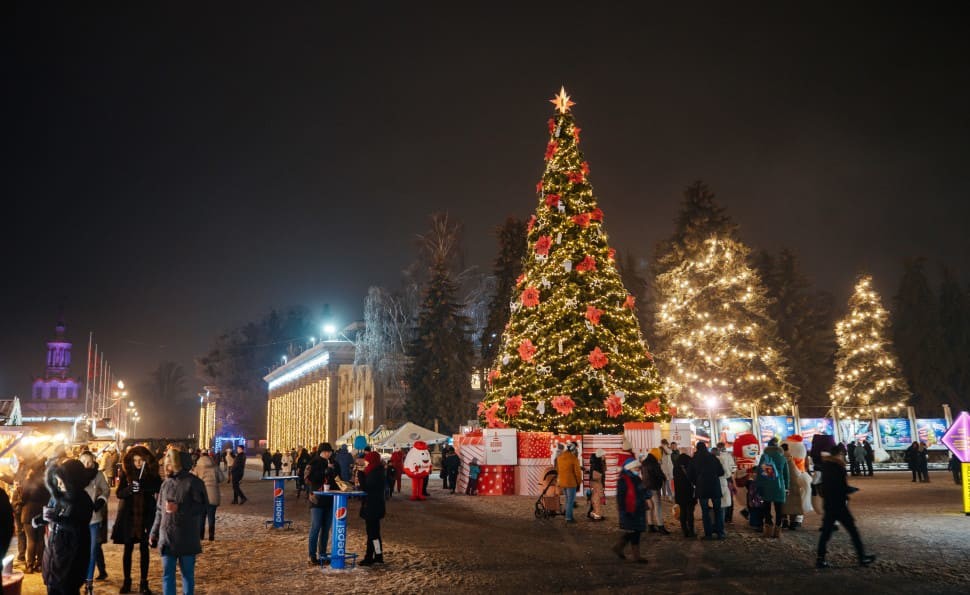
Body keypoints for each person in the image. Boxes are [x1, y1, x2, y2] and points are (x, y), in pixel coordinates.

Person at [150, 446, 208, 595]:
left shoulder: (194, 482)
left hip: (187, 537)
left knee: (187, 575)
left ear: (178, 463)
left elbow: (202, 507)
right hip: (167, 537)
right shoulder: (165, 484)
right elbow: (159, 511)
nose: (166, 467)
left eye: (169, 463)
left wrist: (180, 508)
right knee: (167, 575)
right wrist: (154, 532)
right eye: (166, 464)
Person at [37, 458, 95, 595]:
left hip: (70, 561)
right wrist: (41, 519)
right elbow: (52, 514)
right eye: (57, 481)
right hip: (54, 557)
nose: (59, 485)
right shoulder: (58, 497)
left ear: (72, 480)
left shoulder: (82, 500)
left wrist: (57, 519)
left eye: (62, 481)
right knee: (53, 588)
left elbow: (78, 527)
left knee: (67, 589)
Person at [816, 444, 876, 568]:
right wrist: (850, 489)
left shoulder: (826, 466)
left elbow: (827, 485)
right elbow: (840, 486)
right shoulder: (838, 467)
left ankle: (820, 559)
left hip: (829, 503)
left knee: (826, 533)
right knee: (853, 531)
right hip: (839, 504)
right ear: (839, 454)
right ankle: (861, 557)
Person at [112, 445, 162, 594]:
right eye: (135, 460)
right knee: (128, 549)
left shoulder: (151, 473)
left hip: (146, 516)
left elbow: (159, 486)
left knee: (144, 550)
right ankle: (126, 581)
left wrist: (144, 486)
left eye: (140, 460)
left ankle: (143, 583)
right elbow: (119, 493)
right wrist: (129, 489)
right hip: (129, 516)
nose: (138, 463)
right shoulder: (126, 472)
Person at [80, 450, 111, 591]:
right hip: (78, 519)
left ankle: (89, 580)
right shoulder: (75, 474)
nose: (86, 465)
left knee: (92, 550)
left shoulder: (98, 475)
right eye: (83, 462)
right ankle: (79, 578)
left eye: (89, 462)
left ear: (93, 462)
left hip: (93, 518)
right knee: (79, 550)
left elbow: (106, 490)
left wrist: (101, 500)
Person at [304, 443, 337, 566]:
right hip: (316, 500)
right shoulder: (314, 462)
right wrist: (325, 471)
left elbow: (336, 479)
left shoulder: (333, 462)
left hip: (329, 499)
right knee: (316, 527)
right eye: (326, 451)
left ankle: (322, 554)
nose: (329, 454)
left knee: (326, 528)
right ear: (322, 452)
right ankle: (312, 556)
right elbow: (308, 479)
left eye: (330, 452)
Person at [612, 457, 649, 563]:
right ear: (630, 468)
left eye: (638, 468)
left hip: (638, 509)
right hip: (630, 510)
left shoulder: (637, 479)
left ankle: (619, 547)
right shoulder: (623, 480)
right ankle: (636, 555)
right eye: (636, 467)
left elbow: (643, 491)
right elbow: (621, 498)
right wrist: (624, 510)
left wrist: (647, 493)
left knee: (634, 531)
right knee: (634, 532)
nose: (638, 469)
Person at [688, 441, 725, 540]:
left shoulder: (694, 459)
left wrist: (696, 482)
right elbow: (721, 472)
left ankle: (708, 534)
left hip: (702, 488)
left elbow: (690, 475)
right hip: (715, 486)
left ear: (697, 448)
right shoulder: (713, 457)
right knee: (718, 510)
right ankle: (720, 533)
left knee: (705, 511)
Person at [20, 459, 50, 575]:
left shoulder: (29, 481)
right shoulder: (46, 481)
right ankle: (40, 565)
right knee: (40, 539)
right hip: (42, 512)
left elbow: (23, 498)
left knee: (31, 540)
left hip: (29, 512)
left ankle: (29, 565)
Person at [357, 451, 387, 566]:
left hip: (372, 507)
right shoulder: (376, 471)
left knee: (372, 534)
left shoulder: (375, 473)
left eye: (367, 460)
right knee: (374, 534)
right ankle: (378, 555)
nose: (366, 462)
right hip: (375, 506)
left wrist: (360, 475)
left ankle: (370, 557)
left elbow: (366, 487)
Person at [756, 437, 789, 538]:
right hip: (779, 486)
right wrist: (787, 487)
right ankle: (777, 531)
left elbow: (760, 473)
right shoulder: (782, 457)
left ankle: (768, 529)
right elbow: (786, 474)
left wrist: (759, 485)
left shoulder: (764, 457)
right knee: (779, 510)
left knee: (766, 508)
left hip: (766, 486)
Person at [191, 452, 223, 541]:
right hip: (213, 494)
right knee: (211, 516)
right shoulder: (215, 467)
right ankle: (211, 536)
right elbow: (221, 478)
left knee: (201, 517)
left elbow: (192, 479)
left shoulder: (197, 468)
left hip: (201, 495)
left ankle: (200, 535)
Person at [556, 442, 583, 525]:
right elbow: (577, 473)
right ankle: (568, 518)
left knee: (567, 500)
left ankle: (568, 515)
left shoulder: (559, 458)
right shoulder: (573, 458)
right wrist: (579, 482)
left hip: (562, 482)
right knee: (570, 501)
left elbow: (558, 470)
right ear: (573, 450)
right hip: (571, 483)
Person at [642, 453, 669, 534]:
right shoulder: (654, 464)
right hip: (654, 487)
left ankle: (650, 525)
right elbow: (659, 474)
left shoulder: (644, 463)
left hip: (645, 487)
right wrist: (663, 477)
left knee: (650, 507)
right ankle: (660, 526)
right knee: (657, 507)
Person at [673, 453, 696, 538]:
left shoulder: (675, 468)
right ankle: (691, 531)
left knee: (682, 511)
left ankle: (684, 531)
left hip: (679, 493)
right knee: (690, 512)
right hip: (689, 492)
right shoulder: (689, 467)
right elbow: (693, 479)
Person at [716, 442, 737, 524]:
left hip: (720, 479)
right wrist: (731, 473)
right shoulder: (729, 456)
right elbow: (733, 468)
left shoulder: (717, 457)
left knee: (721, 497)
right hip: (728, 479)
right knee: (729, 498)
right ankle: (729, 517)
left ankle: (722, 516)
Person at [586, 449, 606, 521]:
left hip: (595, 483)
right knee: (597, 499)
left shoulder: (596, 462)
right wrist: (601, 484)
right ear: (600, 455)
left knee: (595, 498)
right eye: (603, 455)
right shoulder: (597, 464)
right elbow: (596, 476)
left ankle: (594, 513)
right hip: (597, 483)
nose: (604, 456)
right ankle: (597, 515)